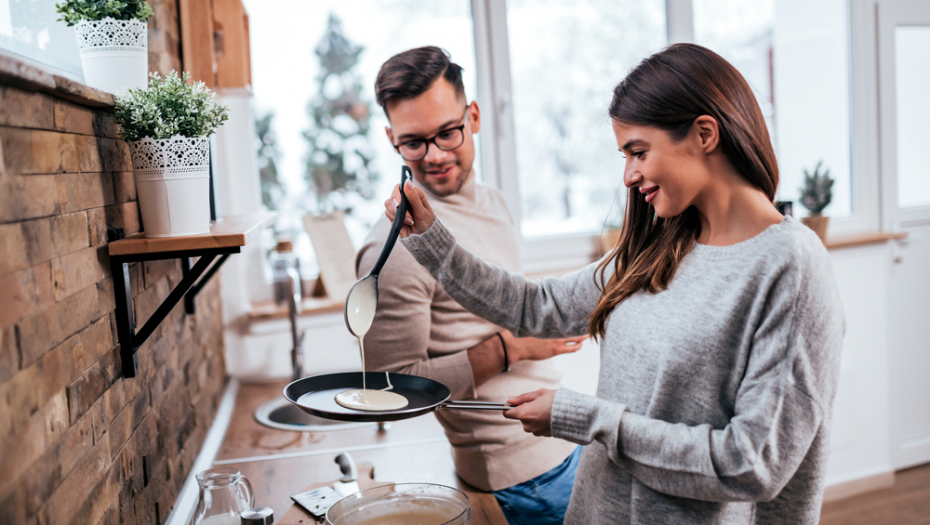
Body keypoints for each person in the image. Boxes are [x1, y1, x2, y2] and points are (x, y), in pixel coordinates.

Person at [385, 43, 845, 525]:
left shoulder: (790, 266)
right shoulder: (658, 247)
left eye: (639, 152)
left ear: (704, 133)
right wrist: (433, 242)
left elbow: (749, 464)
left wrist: (585, 418)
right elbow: (536, 306)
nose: (629, 175)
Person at [357, 46, 587, 525]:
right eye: (413, 142)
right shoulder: (397, 244)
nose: (435, 155)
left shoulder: (494, 202)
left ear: (474, 116)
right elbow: (388, 390)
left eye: (448, 132)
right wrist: (509, 349)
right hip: (520, 481)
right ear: (390, 139)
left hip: (564, 444)